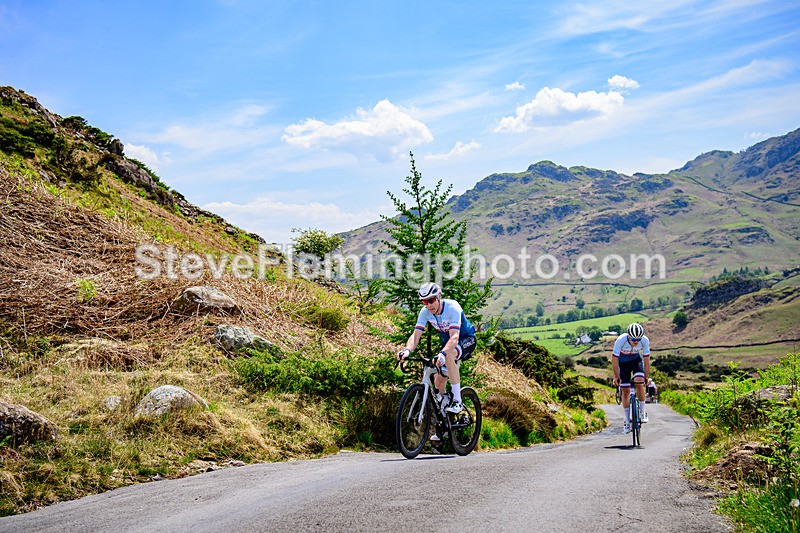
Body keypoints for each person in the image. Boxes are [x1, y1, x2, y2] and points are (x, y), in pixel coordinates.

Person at [397, 282, 477, 424]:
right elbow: (415, 336)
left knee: (449, 355)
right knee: (438, 379)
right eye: (424, 301)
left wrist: (443, 354)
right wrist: (407, 350)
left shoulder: (452, 307)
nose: (428, 305)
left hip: (465, 339)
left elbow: (454, 337)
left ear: (439, 296)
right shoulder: (425, 312)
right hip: (449, 343)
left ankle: (457, 400)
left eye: (431, 300)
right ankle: (444, 423)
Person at [612, 323, 651, 433]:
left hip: (635, 361)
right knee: (625, 391)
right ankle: (626, 420)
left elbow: (647, 361)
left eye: (638, 339)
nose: (636, 341)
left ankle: (643, 412)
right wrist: (616, 376)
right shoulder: (620, 340)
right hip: (623, 364)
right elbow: (614, 361)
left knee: (639, 382)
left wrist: (646, 377)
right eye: (633, 339)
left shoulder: (645, 341)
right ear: (628, 336)